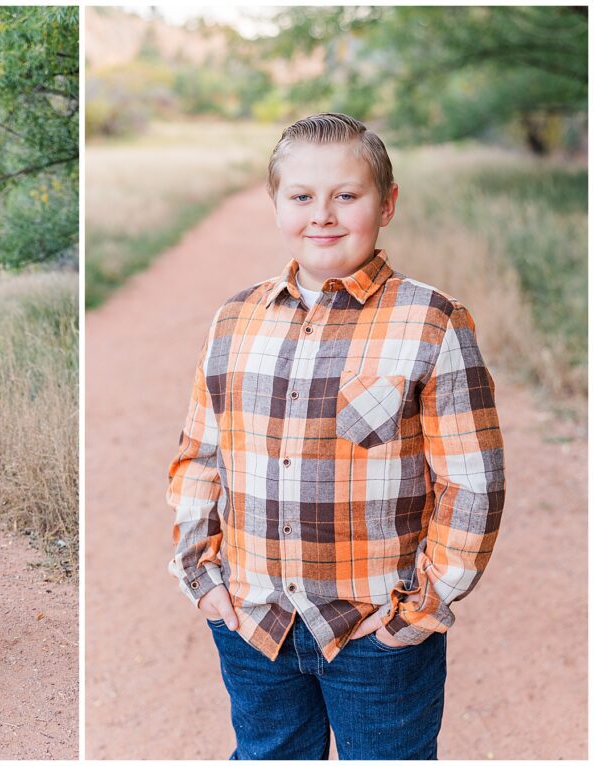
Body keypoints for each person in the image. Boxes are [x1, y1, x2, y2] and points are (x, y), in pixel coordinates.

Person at [167, 113, 505, 760]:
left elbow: (472, 482)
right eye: (301, 197)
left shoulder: (431, 323)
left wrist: (422, 608)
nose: (322, 214)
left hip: (374, 631)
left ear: (388, 203)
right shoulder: (236, 319)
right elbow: (200, 455)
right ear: (275, 204)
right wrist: (200, 574)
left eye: (347, 195)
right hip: (253, 619)